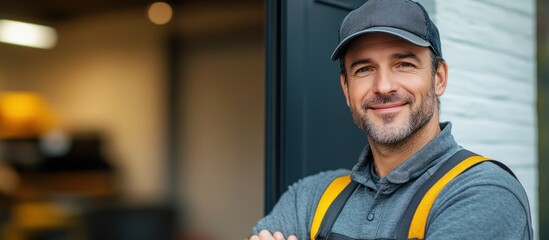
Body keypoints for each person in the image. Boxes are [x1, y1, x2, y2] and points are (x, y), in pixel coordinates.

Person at [250, 0, 533, 239]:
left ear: (438, 78)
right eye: (364, 69)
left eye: (404, 64)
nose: (384, 87)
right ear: (346, 89)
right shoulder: (309, 198)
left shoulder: (482, 192)